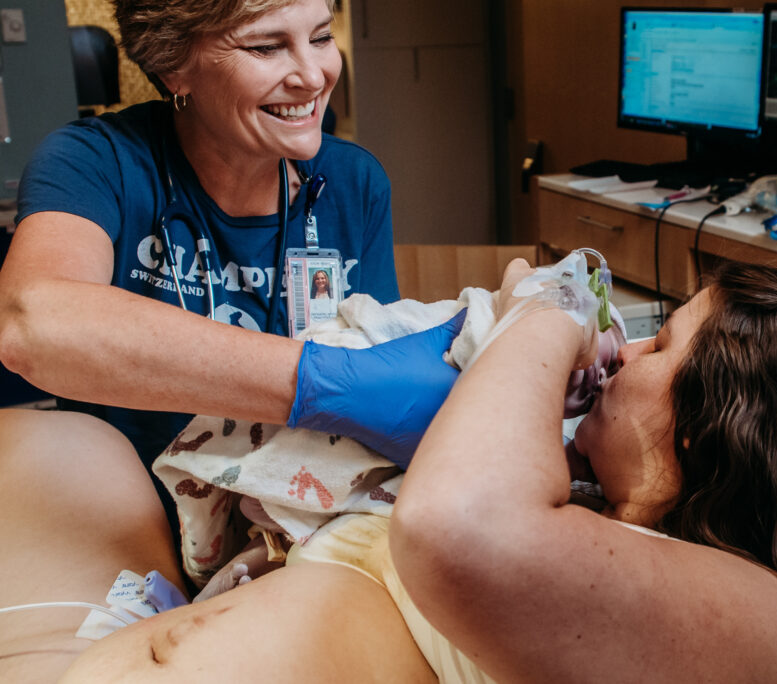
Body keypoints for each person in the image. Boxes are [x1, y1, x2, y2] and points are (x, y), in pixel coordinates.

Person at [36, 248, 777, 683]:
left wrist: (550, 309)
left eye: (660, 346)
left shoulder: (763, 622)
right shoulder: (572, 492)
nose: (623, 351)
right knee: (51, 441)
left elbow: (456, 529)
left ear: (715, 425)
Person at [0, 0, 463, 679]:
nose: (313, 74)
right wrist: (317, 380)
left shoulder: (352, 184)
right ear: (174, 62)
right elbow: (33, 323)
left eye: (321, 37)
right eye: (268, 47)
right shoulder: (97, 163)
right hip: (120, 519)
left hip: (283, 522)